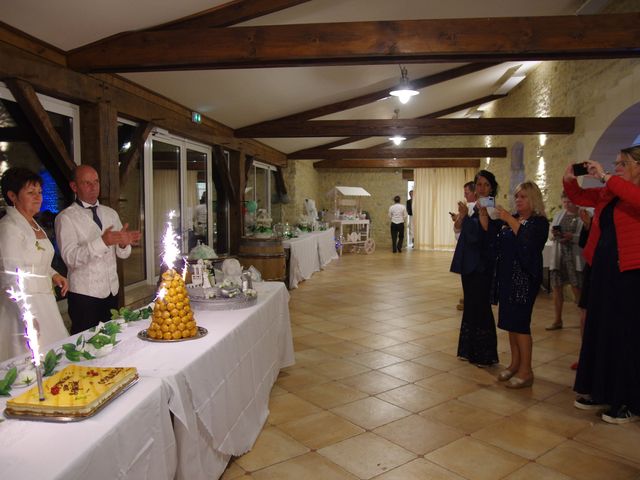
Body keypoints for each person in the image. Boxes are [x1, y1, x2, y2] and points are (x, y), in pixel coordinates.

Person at [564, 146, 640, 424]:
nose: (617, 167)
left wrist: (607, 176)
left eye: (623, 163)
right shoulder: (611, 194)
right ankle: (602, 390)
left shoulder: (627, 191)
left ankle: (630, 401)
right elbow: (578, 196)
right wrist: (570, 178)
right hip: (605, 271)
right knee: (602, 331)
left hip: (631, 274)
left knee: (626, 337)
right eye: (616, 163)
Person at [55, 165, 141, 334]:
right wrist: (102, 241)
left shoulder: (110, 213)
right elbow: (70, 258)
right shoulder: (65, 218)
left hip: (111, 290)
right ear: (74, 187)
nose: (93, 187)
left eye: (96, 182)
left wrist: (123, 244)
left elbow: (122, 253)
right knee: (87, 345)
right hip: (84, 295)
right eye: (87, 183)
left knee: (111, 340)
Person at [0, 168, 69, 362]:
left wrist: (54, 274)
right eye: (30, 193)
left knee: (53, 359)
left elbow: (39, 261)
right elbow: (10, 276)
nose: (38, 197)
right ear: (12, 195)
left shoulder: (33, 224)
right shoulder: (9, 228)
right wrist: (26, 315)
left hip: (46, 302)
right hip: (21, 307)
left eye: (39, 192)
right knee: (30, 363)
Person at [494, 181, 549, 388]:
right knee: (510, 322)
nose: (518, 200)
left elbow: (528, 242)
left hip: (525, 277)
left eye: (523, 196)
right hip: (508, 276)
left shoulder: (539, 222)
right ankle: (514, 364)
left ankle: (526, 371)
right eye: (516, 196)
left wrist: (509, 219)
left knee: (520, 323)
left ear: (533, 199)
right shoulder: (515, 219)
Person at [450, 170, 500, 367]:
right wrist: (462, 216)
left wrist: (481, 212)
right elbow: (458, 230)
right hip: (468, 261)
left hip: (482, 262)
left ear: (492, 188)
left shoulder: (491, 207)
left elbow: (487, 230)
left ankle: (485, 354)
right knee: (470, 305)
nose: (482, 188)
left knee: (481, 306)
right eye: (479, 184)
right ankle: (468, 350)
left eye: (486, 185)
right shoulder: (472, 207)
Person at [546, 191, 585, 330]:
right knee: (557, 287)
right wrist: (555, 234)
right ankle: (557, 319)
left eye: (570, 201)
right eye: (565, 202)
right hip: (559, 255)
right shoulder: (559, 215)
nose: (567, 204)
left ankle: (584, 318)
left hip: (573, 257)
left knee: (577, 288)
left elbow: (585, 237)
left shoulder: (582, 215)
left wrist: (571, 237)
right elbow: (551, 234)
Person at [452, 181, 477, 311]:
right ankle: (467, 297)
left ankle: (469, 300)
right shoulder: (470, 207)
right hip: (466, 245)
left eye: (467, 193)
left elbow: (460, 228)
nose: (465, 196)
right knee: (467, 278)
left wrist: (460, 218)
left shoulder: (473, 207)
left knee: (469, 277)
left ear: (475, 192)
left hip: (470, 248)